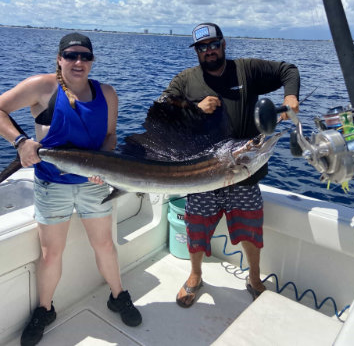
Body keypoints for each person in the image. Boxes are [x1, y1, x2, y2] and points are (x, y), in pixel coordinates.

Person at [0, 32, 142, 346]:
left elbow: (110, 137)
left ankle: (118, 296)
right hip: (52, 184)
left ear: (92, 61)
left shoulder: (107, 93)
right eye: (71, 55)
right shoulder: (43, 87)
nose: (78, 62)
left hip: (94, 187)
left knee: (105, 245)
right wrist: (21, 142)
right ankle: (45, 308)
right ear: (60, 59)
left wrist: (102, 167)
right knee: (51, 255)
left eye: (85, 56)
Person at [160, 22, 300, 307]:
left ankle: (255, 278)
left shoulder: (247, 70)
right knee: (196, 229)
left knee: (250, 230)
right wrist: (193, 109)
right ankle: (195, 276)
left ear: (224, 45)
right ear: (197, 51)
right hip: (201, 175)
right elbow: (162, 111)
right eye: (202, 47)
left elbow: (289, 69)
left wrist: (290, 96)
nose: (209, 51)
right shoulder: (186, 80)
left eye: (214, 45)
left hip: (243, 172)